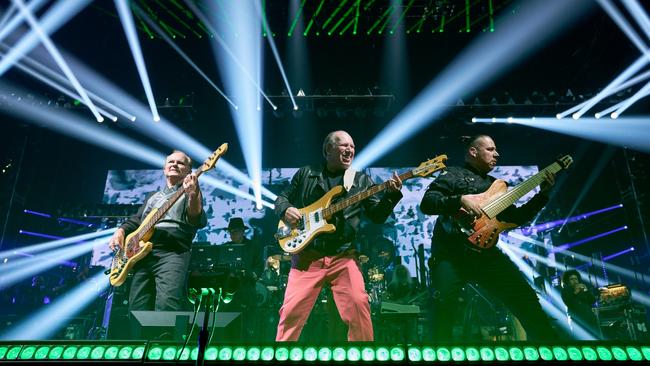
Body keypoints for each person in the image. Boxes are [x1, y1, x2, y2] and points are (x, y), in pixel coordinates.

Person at [420, 135, 556, 341]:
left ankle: (550, 348)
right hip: (451, 255)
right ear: (473, 152)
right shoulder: (454, 174)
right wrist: (459, 199)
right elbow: (428, 203)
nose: (497, 154)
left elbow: (515, 218)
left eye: (496, 150)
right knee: (442, 307)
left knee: (525, 298)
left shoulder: (497, 185)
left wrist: (542, 196)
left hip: (486, 255)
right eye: (490, 149)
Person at [274, 130, 403, 341]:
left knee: (359, 305)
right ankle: (281, 356)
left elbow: (377, 217)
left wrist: (391, 195)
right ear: (328, 150)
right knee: (290, 314)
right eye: (344, 145)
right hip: (308, 255)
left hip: (344, 257)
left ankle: (363, 357)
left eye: (352, 146)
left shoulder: (360, 180)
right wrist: (285, 209)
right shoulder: (307, 173)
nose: (350, 149)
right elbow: (282, 198)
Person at [108, 150, 207, 312]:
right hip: (143, 255)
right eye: (171, 162)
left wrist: (194, 194)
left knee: (167, 305)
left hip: (173, 253)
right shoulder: (152, 196)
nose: (175, 164)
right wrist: (120, 231)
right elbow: (137, 220)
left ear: (190, 171)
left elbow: (195, 218)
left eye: (180, 163)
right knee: (136, 307)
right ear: (164, 169)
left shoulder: (191, 192)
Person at [561, 270, 600, 338]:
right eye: (572, 279)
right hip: (578, 320)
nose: (575, 281)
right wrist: (575, 292)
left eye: (576, 279)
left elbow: (592, 301)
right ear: (567, 281)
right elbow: (569, 303)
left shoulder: (582, 289)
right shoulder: (565, 290)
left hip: (590, 318)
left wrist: (587, 291)